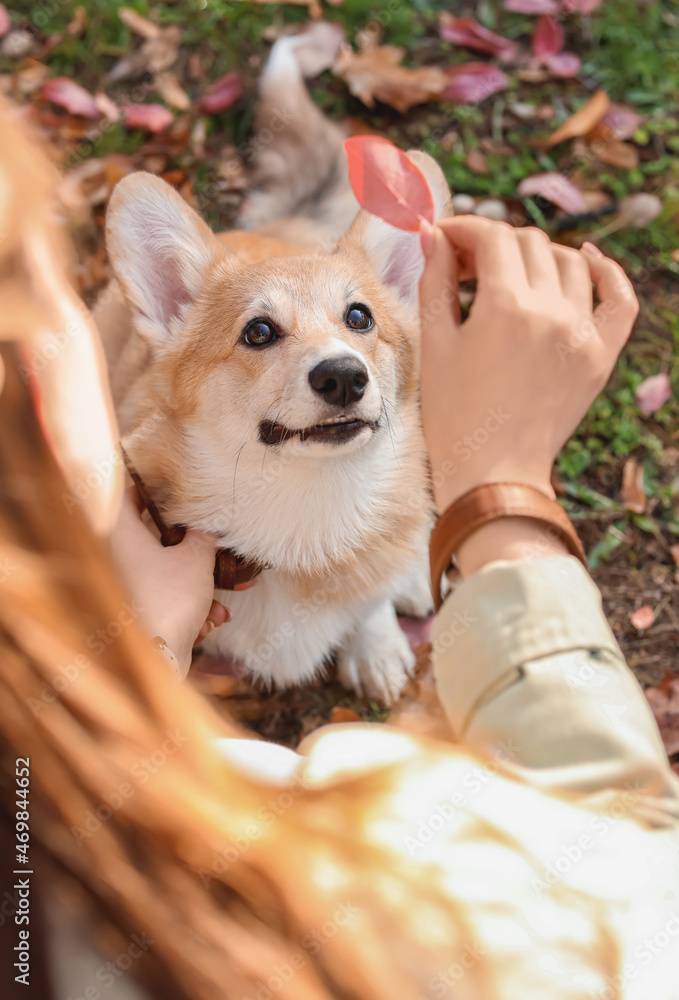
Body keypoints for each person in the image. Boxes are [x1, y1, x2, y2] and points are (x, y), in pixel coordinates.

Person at [1, 101, 678, 1000]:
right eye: (261, 334)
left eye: (361, 321)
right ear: (152, 312)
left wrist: (147, 653)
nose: (339, 363)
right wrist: (506, 494)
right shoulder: (385, 874)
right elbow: (636, 892)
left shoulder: (35, 849)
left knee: (377, 591)